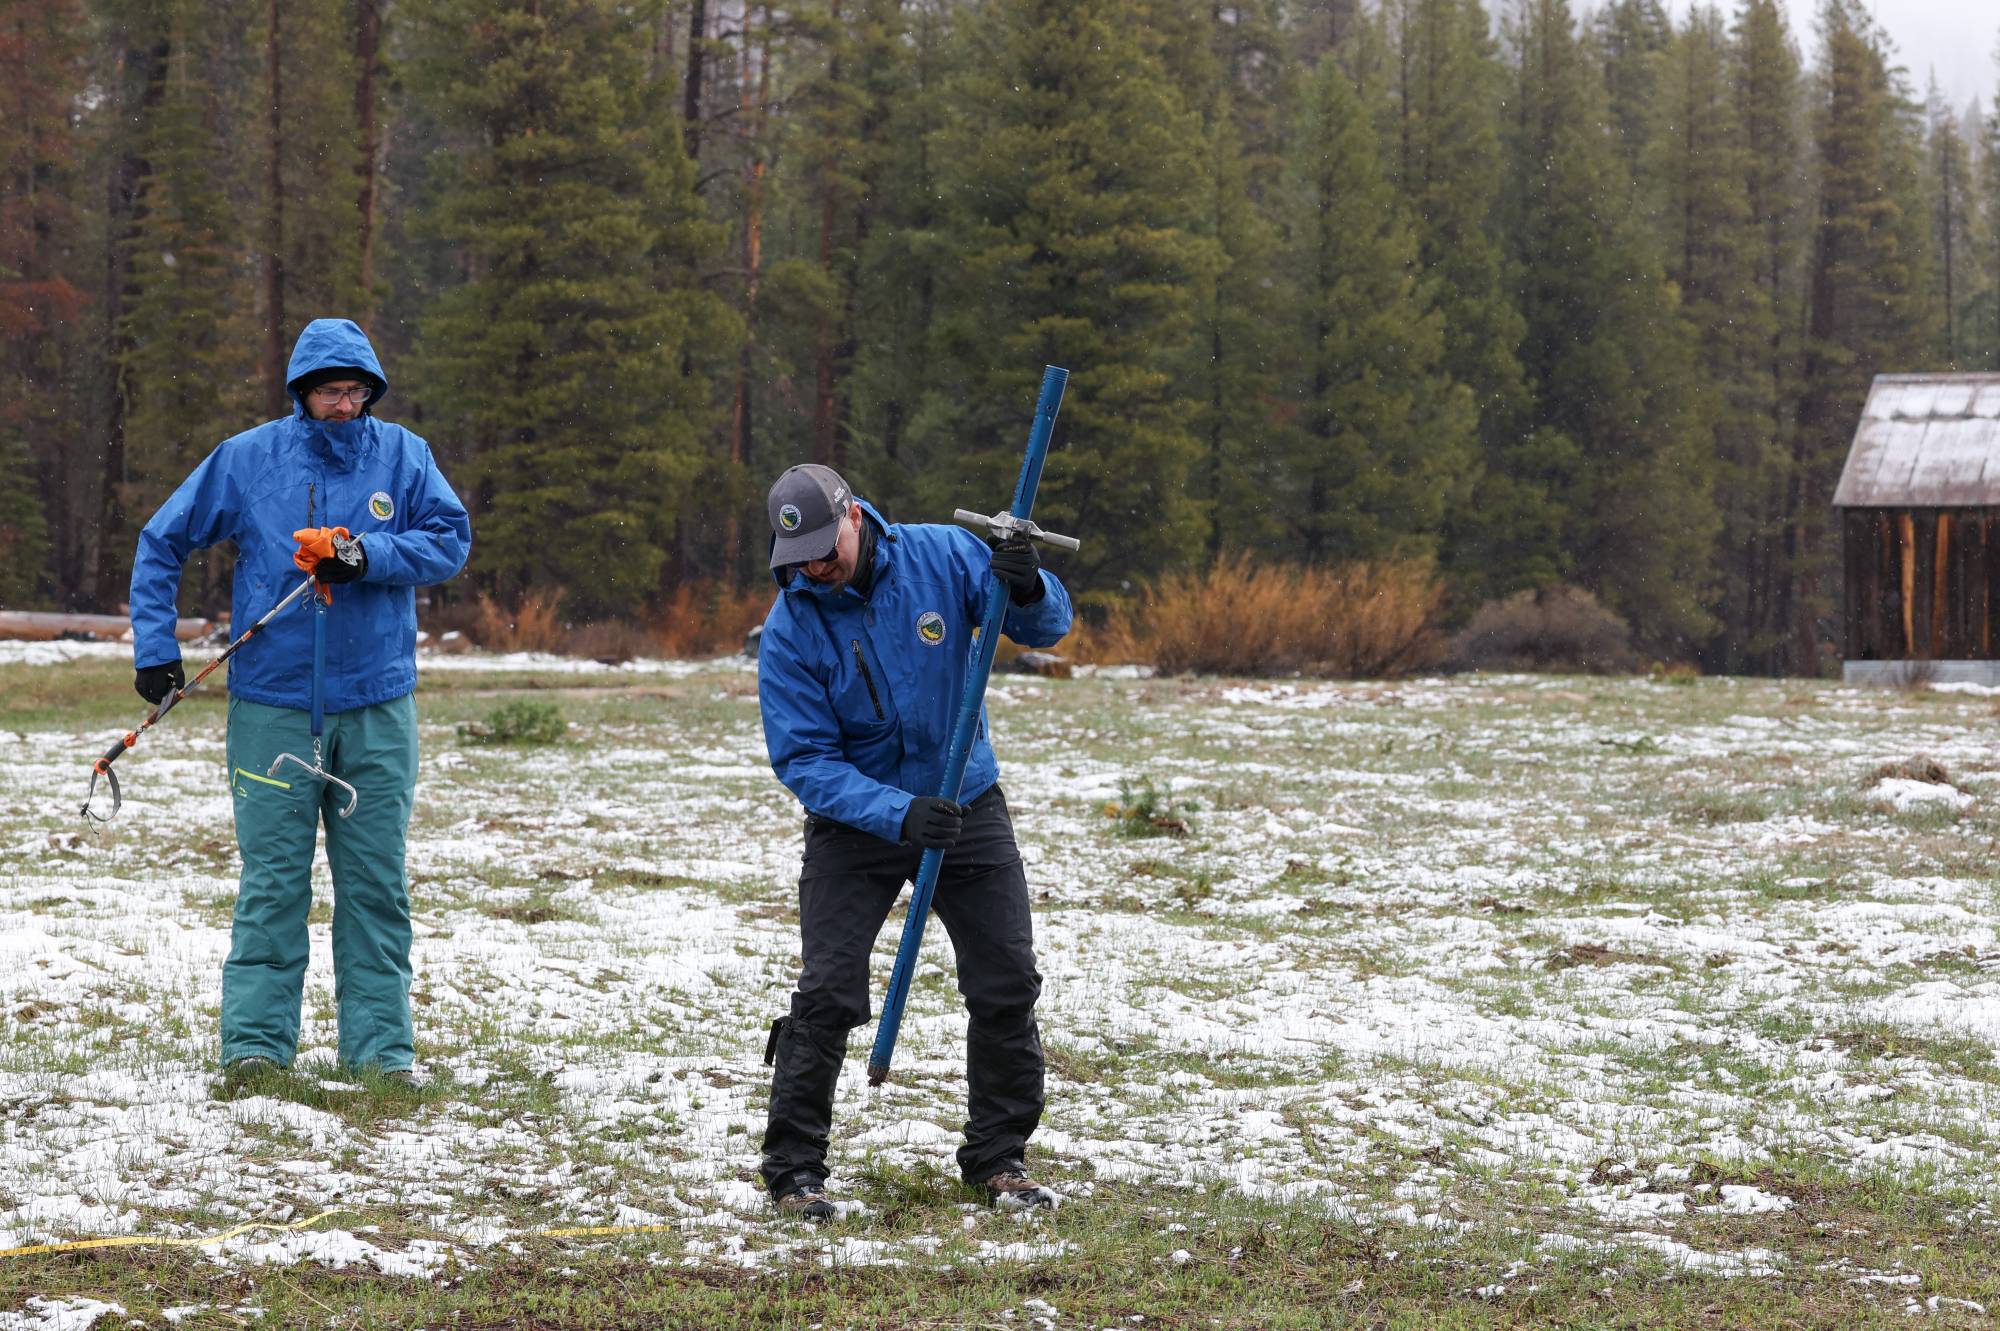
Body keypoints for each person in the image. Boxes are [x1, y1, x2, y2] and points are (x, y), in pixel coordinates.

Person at [128, 318, 471, 1083]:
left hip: (378, 706)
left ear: (371, 391)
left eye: (354, 390)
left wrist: (367, 554)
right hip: (272, 706)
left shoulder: (405, 457)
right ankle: (254, 1047)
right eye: (327, 391)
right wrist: (155, 647)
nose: (342, 404)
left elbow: (451, 538)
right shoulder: (249, 459)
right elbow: (161, 540)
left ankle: (380, 1052)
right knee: (274, 882)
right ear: (302, 393)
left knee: (376, 885)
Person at [754, 463, 1071, 1220]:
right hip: (857, 825)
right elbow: (804, 760)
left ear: (856, 516)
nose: (817, 570)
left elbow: (1043, 626)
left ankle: (999, 1158)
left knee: (1005, 981)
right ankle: (794, 1170)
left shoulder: (944, 556)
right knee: (828, 991)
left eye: (827, 549)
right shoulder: (791, 630)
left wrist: (1027, 585)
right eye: (799, 561)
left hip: (965, 801)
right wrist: (896, 813)